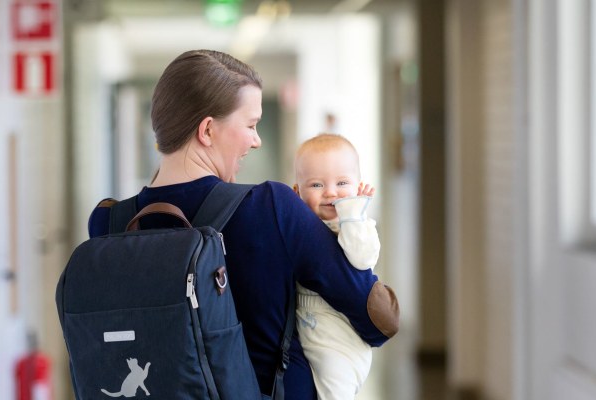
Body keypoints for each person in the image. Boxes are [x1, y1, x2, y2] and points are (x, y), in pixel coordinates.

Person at [84, 49, 399, 399]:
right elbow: (376, 321)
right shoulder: (272, 207)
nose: (256, 139)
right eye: (250, 125)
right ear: (207, 130)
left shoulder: (109, 222)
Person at [292, 134, 381, 399]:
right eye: (317, 184)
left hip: (339, 337)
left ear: (358, 187)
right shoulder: (303, 227)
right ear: (297, 192)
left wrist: (352, 214)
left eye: (342, 183)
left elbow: (362, 258)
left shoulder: (358, 226)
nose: (331, 192)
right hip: (309, 327)